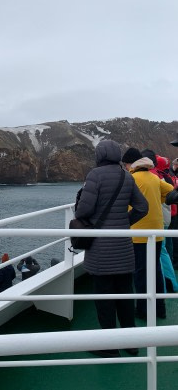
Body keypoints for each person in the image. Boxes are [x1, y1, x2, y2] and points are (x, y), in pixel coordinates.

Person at [75, 141, 148, 357]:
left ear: (99, 155)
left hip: (101, 251)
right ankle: (131, 344)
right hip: (124, 249)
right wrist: (124, 222)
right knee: (126, 296)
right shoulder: (127, 175)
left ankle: (108, 347)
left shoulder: (95, 175)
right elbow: (142, 207)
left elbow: (83, 212)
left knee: (104, 299)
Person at [124, 147, 174, 320]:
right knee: (155, 271)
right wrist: (159, 199)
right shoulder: (155, 178)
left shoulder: (130, 179)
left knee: (140, 272)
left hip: (138, 233)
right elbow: (172, 192)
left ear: (131, 164)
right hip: (157, 232)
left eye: (125, 164)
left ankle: (143, 310)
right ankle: (160, 309)